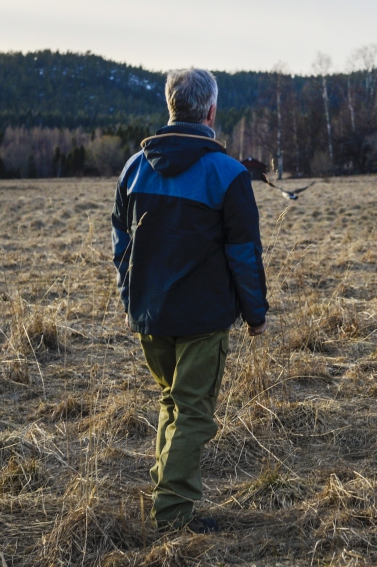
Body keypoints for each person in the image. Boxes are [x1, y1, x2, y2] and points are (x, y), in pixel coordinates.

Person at [111, 68, 268, 533]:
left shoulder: (133, 169)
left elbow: (121, 248)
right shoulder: (228, 175)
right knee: (194, 412)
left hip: (150, 315)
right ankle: (174, 514)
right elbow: (244, 255)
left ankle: (166, 491)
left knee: (172, 400)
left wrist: (131, 299)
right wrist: (256, 316)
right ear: (212, 112)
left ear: (171, 107)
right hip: (202, 319)